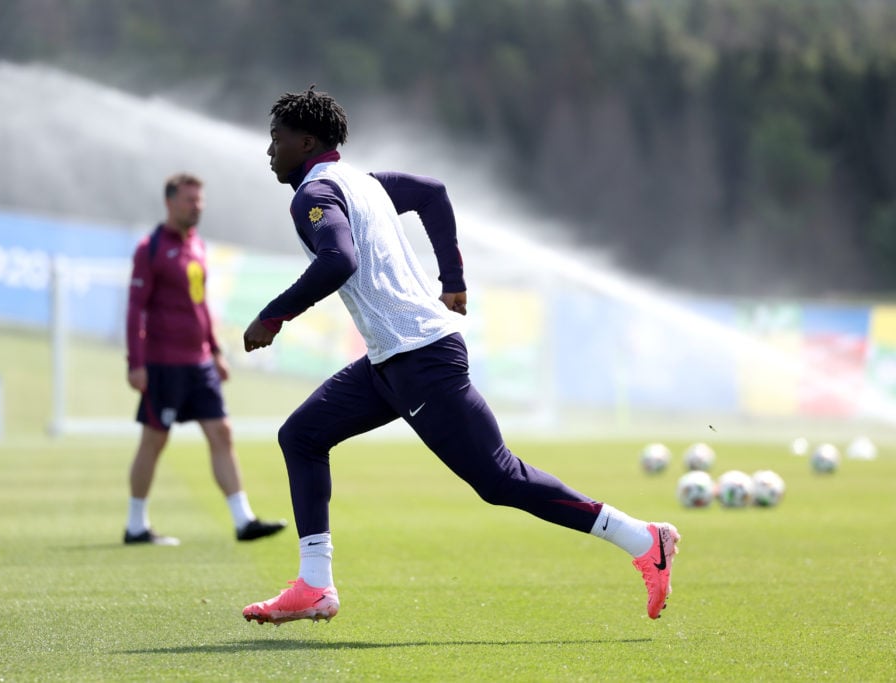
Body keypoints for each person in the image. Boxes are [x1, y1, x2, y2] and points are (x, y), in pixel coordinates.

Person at [240, 88, 680, 625]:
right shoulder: (363, 183)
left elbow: (338, 260)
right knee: (302, 436)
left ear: (305, 142)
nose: (269, 151)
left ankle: (643, 538)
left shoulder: (315, 193)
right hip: (391, 361)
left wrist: (273, 315)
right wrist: (453, 280)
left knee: (500, 480)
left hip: (420, 359)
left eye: (276, 139)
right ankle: (314, 584)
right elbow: (432, 192)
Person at [123, 172, 287, 546]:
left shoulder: (196, 246)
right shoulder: (149, 249)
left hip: (199, 364)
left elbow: (199, 305)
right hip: (164, 364)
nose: (197, 206)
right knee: (154, 440)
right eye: (189, 200)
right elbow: (136, 310)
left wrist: (213, 350)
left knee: (221, 432)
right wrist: (136, 363)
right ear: (170, 203)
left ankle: (244, 520)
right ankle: (135, 525)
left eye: (200, 200)